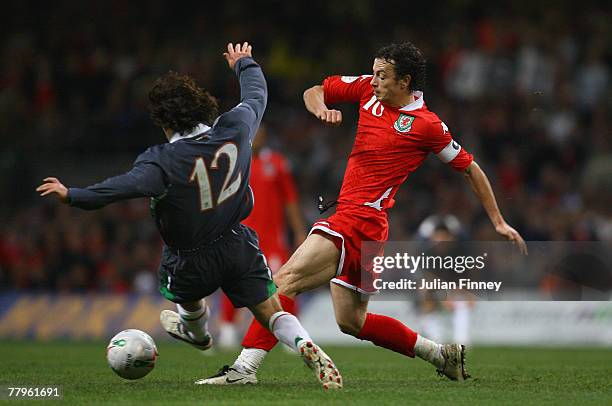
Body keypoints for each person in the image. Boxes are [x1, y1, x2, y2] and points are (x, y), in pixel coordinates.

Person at [200, 42, 527, 385]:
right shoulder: (367, 91)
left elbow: (470, 169)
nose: (373, 81)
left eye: (382, 76)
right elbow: (314, 91)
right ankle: (440, 354)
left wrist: (498, 221)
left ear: (405, 81)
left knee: (283, 282)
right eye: (373, 72)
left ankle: (244, 369)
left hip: (357, 220)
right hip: (369, 229)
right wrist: (320, 108)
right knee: (351, 321)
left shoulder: (427, 125)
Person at [36, 42, 342, 390]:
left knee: (190, 303)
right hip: (237, 242)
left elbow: (120, 188)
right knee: (271, 312)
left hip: (188, 257)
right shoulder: (236, 126)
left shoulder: (162, 160)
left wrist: (73, 194)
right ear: (202, 105)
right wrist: (245, 64)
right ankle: (304, 343)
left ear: (162, 119)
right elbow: (257, 94)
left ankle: (196, 334)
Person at [218, 123, 306, 349]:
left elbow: (290, 200)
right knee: (233, 278)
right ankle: (227, 329)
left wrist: (298, 231)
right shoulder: (236, 165)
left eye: (260, 133)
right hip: (242, 237)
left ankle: (291, 333)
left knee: (284, 282)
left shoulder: (277, 163)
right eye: (253, 134)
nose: (256, 138)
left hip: (272, 239)